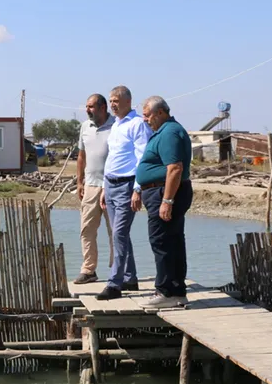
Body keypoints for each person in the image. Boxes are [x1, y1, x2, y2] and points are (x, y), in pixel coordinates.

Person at [136, 96, 193, 308]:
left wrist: (167, 200)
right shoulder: (164, 132)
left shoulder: (169, 132)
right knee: (173, 241)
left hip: (165, 192)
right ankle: (176, 291)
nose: (145, 120)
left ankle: (166, 291)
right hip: (161, 191)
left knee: (162, 242)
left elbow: (175, 168)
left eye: (147, 115)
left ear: (160, 113)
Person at [96, 85, 153, 300]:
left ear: (128, 102)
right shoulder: (116, 125)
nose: (112, 104)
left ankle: (114, 284)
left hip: (127, 185)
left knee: (119, 233)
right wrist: (103, 187)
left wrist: (138, 189)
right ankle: (130, 278)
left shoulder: (137, 124)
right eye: (111, 101)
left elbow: (142, 158)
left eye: (116, 101)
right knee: (119, 234)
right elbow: (111, 158)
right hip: (110, 185)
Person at [74, 94, 114, 285]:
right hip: (90, 185)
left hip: (113, 186)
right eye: (87, 106)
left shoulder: (116, 125)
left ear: (103, 107)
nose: (87, 110)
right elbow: (81, 156)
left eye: (91, 106)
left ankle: (118, 270)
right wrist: (79, 181)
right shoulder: (84, 126)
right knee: (87, 229)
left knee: (115, 231)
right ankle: (89, 270)